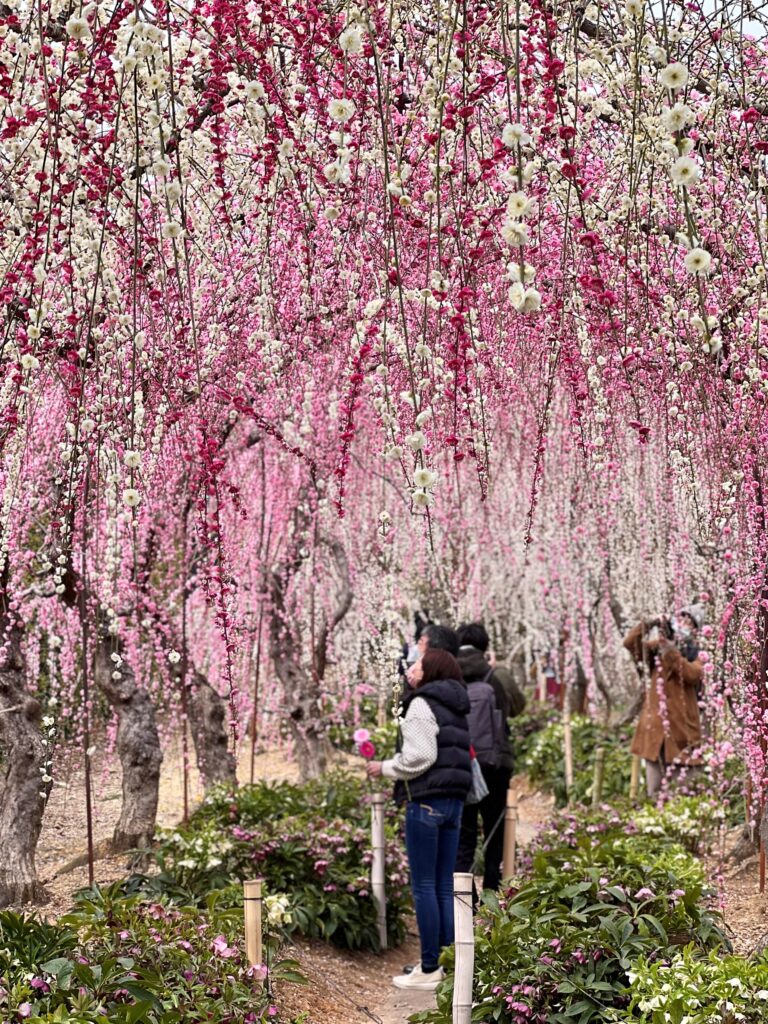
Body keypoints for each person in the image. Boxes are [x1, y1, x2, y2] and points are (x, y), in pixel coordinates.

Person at [367, 647, 471, 991]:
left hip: (426, 802)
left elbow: (421, 756)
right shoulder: (456, 704)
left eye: (418, 665)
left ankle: (429, 967)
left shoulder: (422, 704)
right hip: (454, 803)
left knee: (425, 885)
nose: (411, 669)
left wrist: (384, 767)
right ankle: (447, 964)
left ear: (431, 672)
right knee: (443, 885)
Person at [454, 622, 526, 897]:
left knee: (465, 833)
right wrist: (497, 671)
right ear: (485, 645)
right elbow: (518, 707)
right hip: (495, 764)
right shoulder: (496, 676)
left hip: (462, 762)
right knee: (495, 827)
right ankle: (493, 892)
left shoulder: (450, 675)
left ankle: (465, 899)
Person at [626, 605, 704, 798]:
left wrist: (671, 652)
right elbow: (631, 643)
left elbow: (692, 674)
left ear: (696, 630)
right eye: (681, 619)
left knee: (684, 792)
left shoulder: (698, 654)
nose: (683, 624)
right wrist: (649, 624)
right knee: (655, 792)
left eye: (689, 622)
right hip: (655, 732)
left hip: (682, 733)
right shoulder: (656, 650)